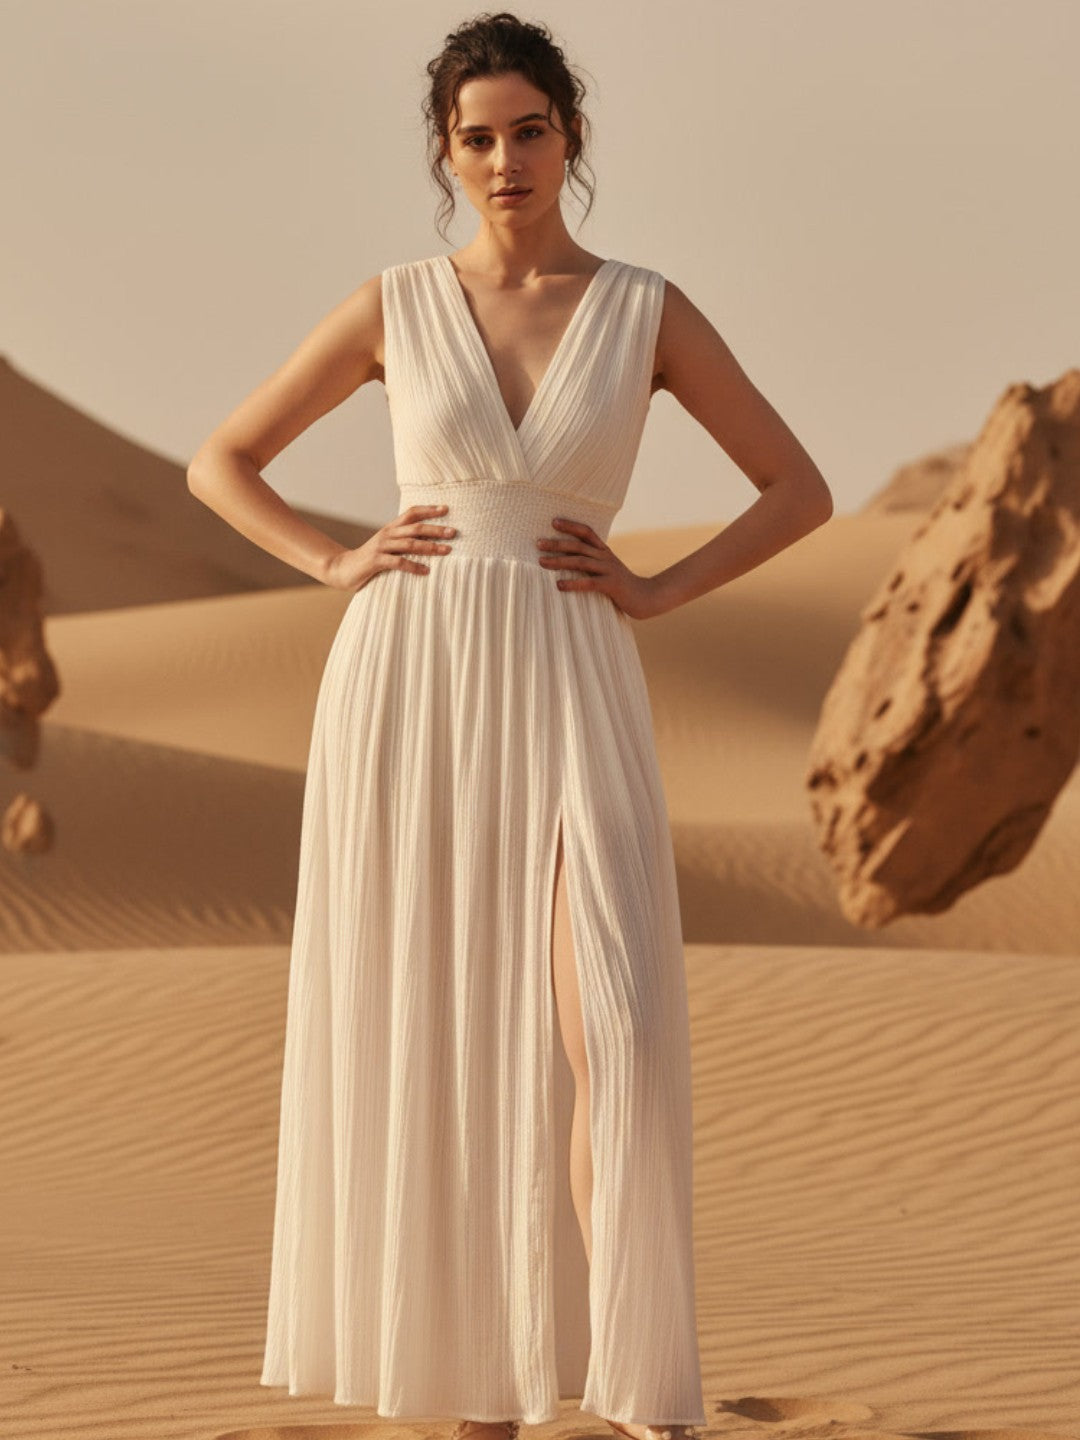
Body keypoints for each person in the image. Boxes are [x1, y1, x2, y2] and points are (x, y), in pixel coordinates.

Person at [187, 12, 833, 1440]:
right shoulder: (394, 303)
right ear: (445, 151)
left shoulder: (647, 307)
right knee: (449, 1024)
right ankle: (479, 1386)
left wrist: (662, 587)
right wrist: (332, 561)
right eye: (475, 136)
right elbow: (219, 460)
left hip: (572, 666)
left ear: (572, 138)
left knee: (619, 1023)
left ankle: (641, 1385)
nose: (503, 158)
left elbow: (798, 488)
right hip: (410, 676)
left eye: (528, 129)